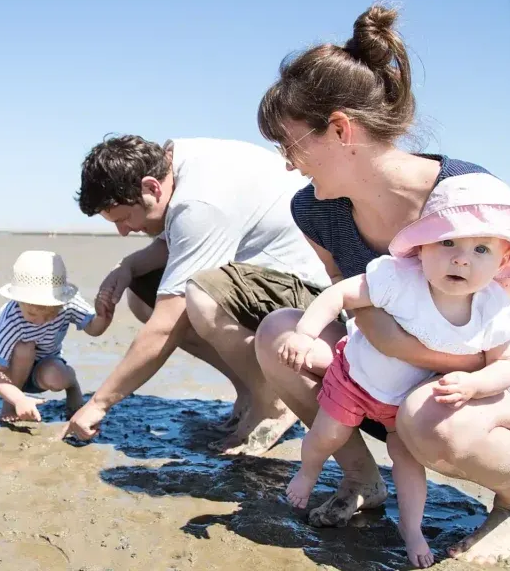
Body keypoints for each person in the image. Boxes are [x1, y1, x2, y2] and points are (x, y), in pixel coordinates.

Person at [253, 4, 510, 566]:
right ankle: (361, 480)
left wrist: (411, 351)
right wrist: (386, 348)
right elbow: (353, 303)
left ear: (339, 130)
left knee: (429, 417)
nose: (288, 165)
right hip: (391, 386)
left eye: (289, 145)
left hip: (505, 388)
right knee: (279, 331)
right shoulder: (315, 210)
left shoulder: (470, 197)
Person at [278, 175, 510, 568]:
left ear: (503, 261)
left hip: (404, 404)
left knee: (407, 464)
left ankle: (412, 529)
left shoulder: (496, 310)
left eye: (481, 249)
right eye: (447, 241)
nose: (461, 258)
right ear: (421, 247)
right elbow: (339, 294)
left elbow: (509, 363)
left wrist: (474, 383)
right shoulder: (398, 277)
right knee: (326, 435)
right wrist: (304, 333)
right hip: (355, 380)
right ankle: (308, 471)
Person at [60, 134, 331, 454]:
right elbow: (179, 241)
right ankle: (250, 390)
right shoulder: (174, 162)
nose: (123, 231)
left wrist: (98, 404)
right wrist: (129, 267)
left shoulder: (199, 203)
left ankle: (275, 402)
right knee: (143, 292)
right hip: (266, 276)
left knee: (200, 301)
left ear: (151, 187)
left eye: (123, 218)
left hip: (309, 293)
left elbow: (165, 324)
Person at [0, 250, 112, 422]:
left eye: (51, 313)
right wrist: (17, 399)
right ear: (19, 301)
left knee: (56, 377)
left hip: (45, 367)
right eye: (32, 313)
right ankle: (9, 405)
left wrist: (103, 317)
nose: (41, 321)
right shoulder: (12, 318)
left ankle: (72, 384)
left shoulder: (67, 303)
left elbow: (92, 328)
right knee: (24, 348)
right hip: (11, 372)